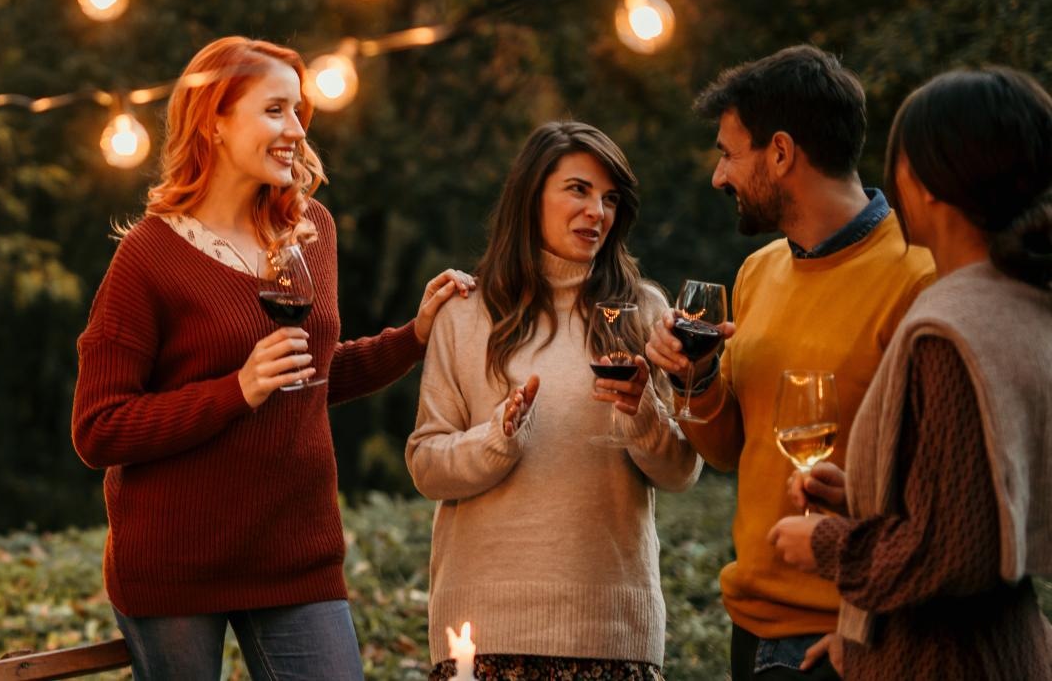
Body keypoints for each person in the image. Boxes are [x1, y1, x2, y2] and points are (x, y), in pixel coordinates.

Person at [70, 36, 469, 680]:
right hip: (175, 564)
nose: (296, 130)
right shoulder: (147, 257)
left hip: (296, 552)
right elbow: (98, 429)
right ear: (217, 123)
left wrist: (413, 336)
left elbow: (311, 377)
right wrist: (236, 390)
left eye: (299, 112)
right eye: (275, 110)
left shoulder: (311, 231)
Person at [643, 45, 936, 680]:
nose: (719, 177)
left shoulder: (920, 278)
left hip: (852, 640)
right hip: (751, 632)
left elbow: (941, 490)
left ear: (780, 153)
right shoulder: (758, 271)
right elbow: (728, 451)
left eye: (727, 153)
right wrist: (692, 378)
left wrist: (872, 637)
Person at [767, 66, 1052, 679]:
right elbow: (988, 495)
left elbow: (954, 552)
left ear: (923, 179)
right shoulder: (1028, 306)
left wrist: (824, 545)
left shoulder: (951, 328)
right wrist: (868, 493)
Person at [408, 121, 700, 681]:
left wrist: (640, 411)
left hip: (613, 632)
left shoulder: (642, 309)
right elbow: (426, 464)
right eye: (578, 190)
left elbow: (682, 468)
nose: (598, 211)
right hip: (486, 634)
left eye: (610, 198)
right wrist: (498, 439)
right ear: (530, 195)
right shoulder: (466, 313)